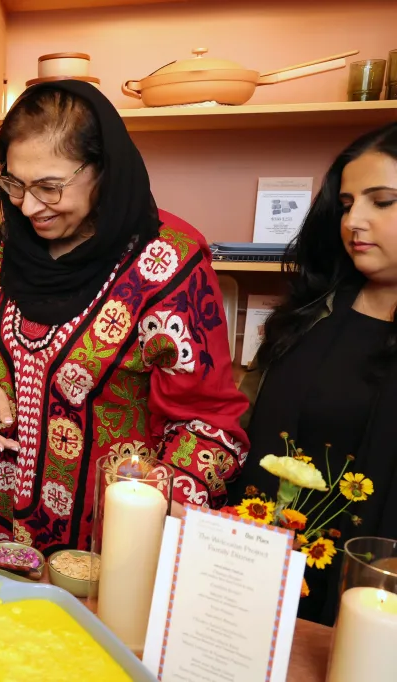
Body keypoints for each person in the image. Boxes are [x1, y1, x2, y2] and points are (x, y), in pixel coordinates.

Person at [0, 80, 249, 554]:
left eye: (49, 187)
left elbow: (208, 423)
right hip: (7, 521)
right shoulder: (10, 246)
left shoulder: (166, 262)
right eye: (14, 184)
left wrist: (152, 509)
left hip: (112, 540)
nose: (28, 207)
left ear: (103, 170)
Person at [230, 121, 397, 625]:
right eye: (347, 205)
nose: (355, 222)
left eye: (382, 201)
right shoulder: (314, 313)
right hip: (273, 582)